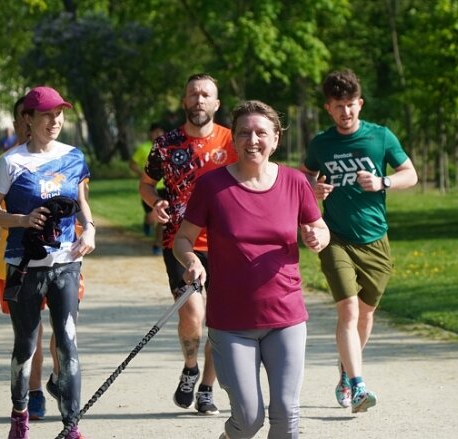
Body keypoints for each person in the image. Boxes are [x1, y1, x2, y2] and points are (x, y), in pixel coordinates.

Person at [174, 100, 329, 439]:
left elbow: (320, 227)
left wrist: (318, 236)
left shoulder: (295, 183)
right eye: (244, 133)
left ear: (276, 139)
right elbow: (182, 239)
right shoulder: (212, 186)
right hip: (232, 322)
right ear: (234, 140)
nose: (253, 140)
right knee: (248, 420)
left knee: (286, 417)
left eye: (261, 133)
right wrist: (192, 260)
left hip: (286, 315)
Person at [0, 86, 95, 439]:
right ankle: (19, 416)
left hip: (65, 264)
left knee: (67, 342)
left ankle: (71, 427)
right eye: (46, 114)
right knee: (25, 345)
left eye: (59, 114)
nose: (54, 121)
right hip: (24, 266)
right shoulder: (10, 162)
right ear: (27, 120)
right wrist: (21, 220)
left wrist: (89, 229)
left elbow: (81, 202)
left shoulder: (74, 156)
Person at [301, 69, 418, 414]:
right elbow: (304, 174)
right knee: (349, 310)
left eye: (351, 105)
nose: (346, 112)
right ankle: (359, 384)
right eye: (339, 106)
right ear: (328, 108)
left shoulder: (380, 137)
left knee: (365, 315)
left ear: (360, 103)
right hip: (334, 237)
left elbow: (410, 174)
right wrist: (313, 189)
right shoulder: (322, 143)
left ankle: (344, 371)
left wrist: (383, 182)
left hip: (375, 240)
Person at [139, 73, 236, 416]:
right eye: (193, 94)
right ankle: (191, 367)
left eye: (205, 94)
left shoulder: (234, 140)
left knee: (220, 321)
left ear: (216, 103)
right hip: (181, 242)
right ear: (184, 102)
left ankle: (207, 387)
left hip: (228, 244)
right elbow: (147, 185)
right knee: (193, 315)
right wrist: (156, 202)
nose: (199, 100)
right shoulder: (165, 145)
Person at [130, 122, 166, 255]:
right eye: (155, 132)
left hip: (164, 187)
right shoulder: (144, 148)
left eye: (160, 132)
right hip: (149, 187)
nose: (158, 134)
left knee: (162, 218)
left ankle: (158, 244)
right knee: (151, 217)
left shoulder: (167, 146)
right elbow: (132, 164)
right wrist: (143, 175)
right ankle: (147, 223)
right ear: (150, 133)